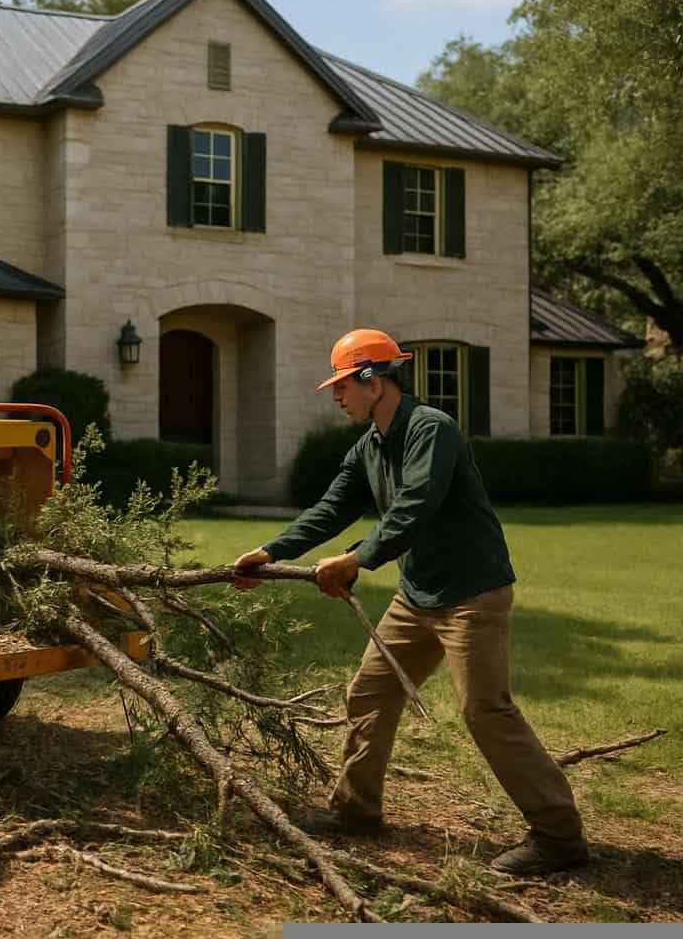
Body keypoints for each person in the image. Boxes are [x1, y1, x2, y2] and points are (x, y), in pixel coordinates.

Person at [233, 329, 587, 876]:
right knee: (371, 692)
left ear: (373, 380)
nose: (336, 395)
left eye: (344, 383)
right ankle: (356, 812)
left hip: (473, 593)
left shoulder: (432, 430)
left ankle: (559, 837)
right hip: (417, 595)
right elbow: (331, 508)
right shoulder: (369, 445)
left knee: (484, 709)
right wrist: (270, 550)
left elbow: (414, 508)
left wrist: (356, 561)